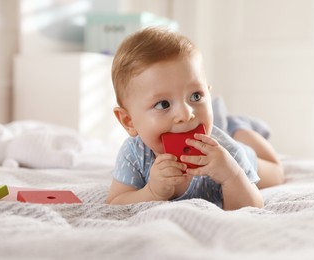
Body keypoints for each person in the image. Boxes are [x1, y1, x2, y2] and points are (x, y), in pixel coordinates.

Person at [106, 27, 284, 210]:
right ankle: (229, 123)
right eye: (163, 104)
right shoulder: (134, 154)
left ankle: (240, 129)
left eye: (196, 96)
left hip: (240, 149)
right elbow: (115, 203)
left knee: (276, 172)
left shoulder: (225, 151)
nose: (186, 114)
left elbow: (252, 207)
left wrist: (231, 175)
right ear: (129, 121)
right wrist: (152, 192)